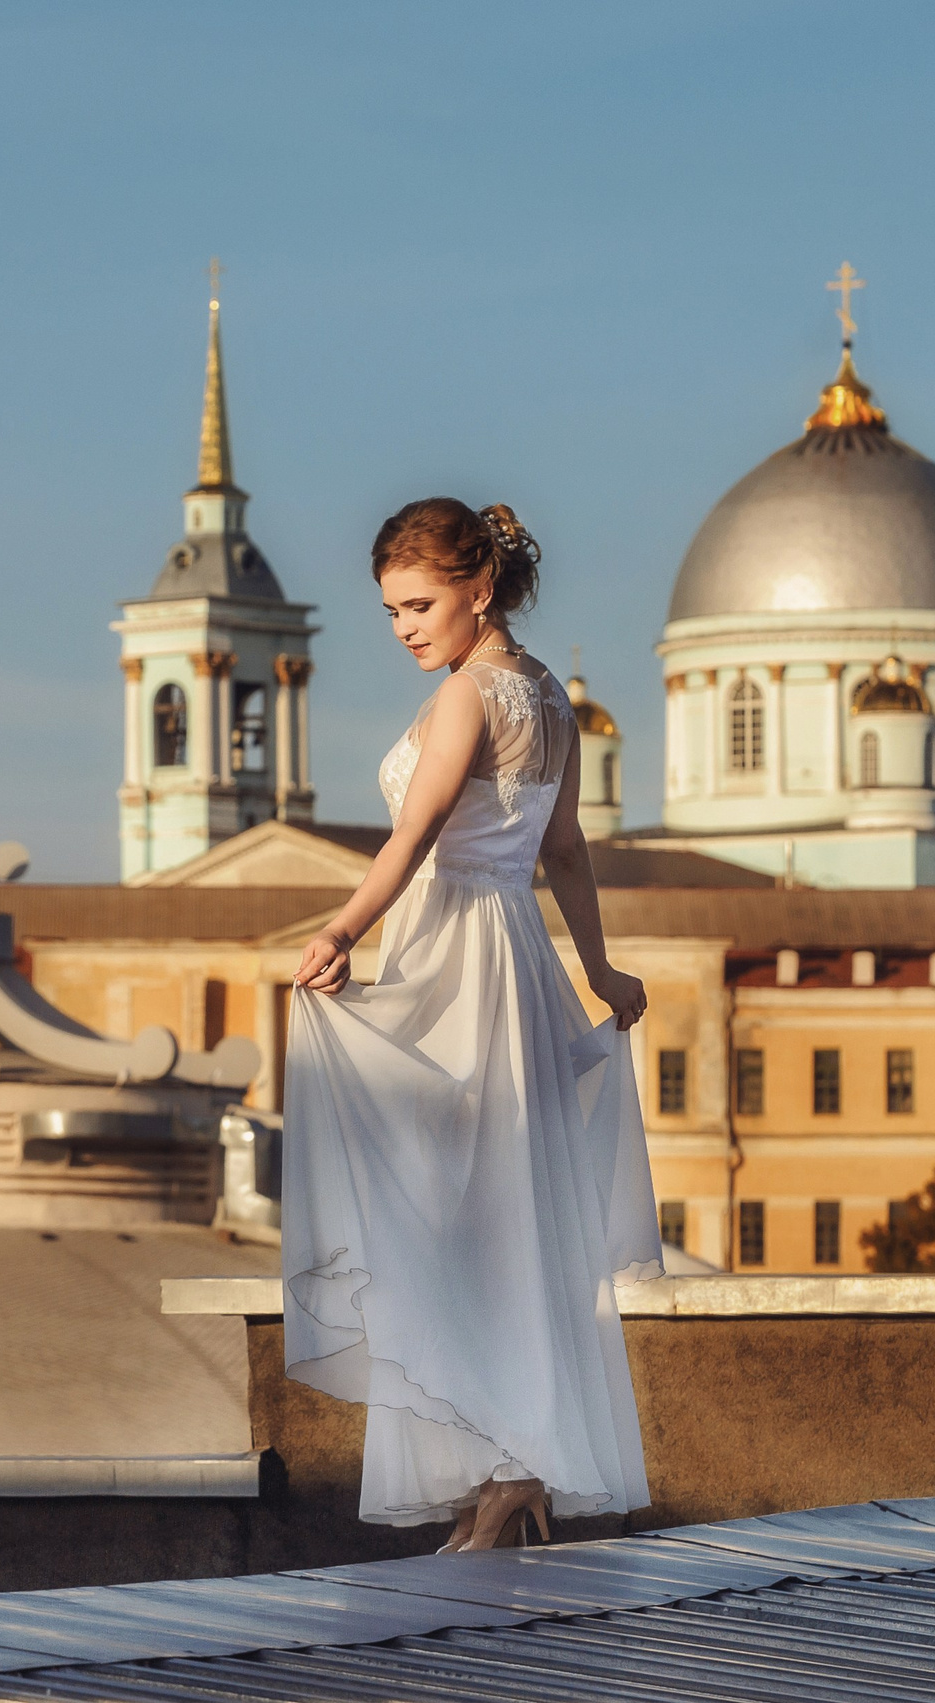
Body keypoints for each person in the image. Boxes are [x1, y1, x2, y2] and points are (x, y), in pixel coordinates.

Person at [284, 497, 660, 1552]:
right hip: (516, 960)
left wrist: (343, 928)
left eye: (419, 602)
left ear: (478, 589)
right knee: (502, 1217)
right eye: (392, 610)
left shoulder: (469, 695)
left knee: (450, 1216)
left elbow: (416, 832)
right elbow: (568, 853)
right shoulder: (549, 696)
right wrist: (595, 967)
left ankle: (503, 1469)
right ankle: (507, 1469)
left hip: (453, 955)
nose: (403, 626)